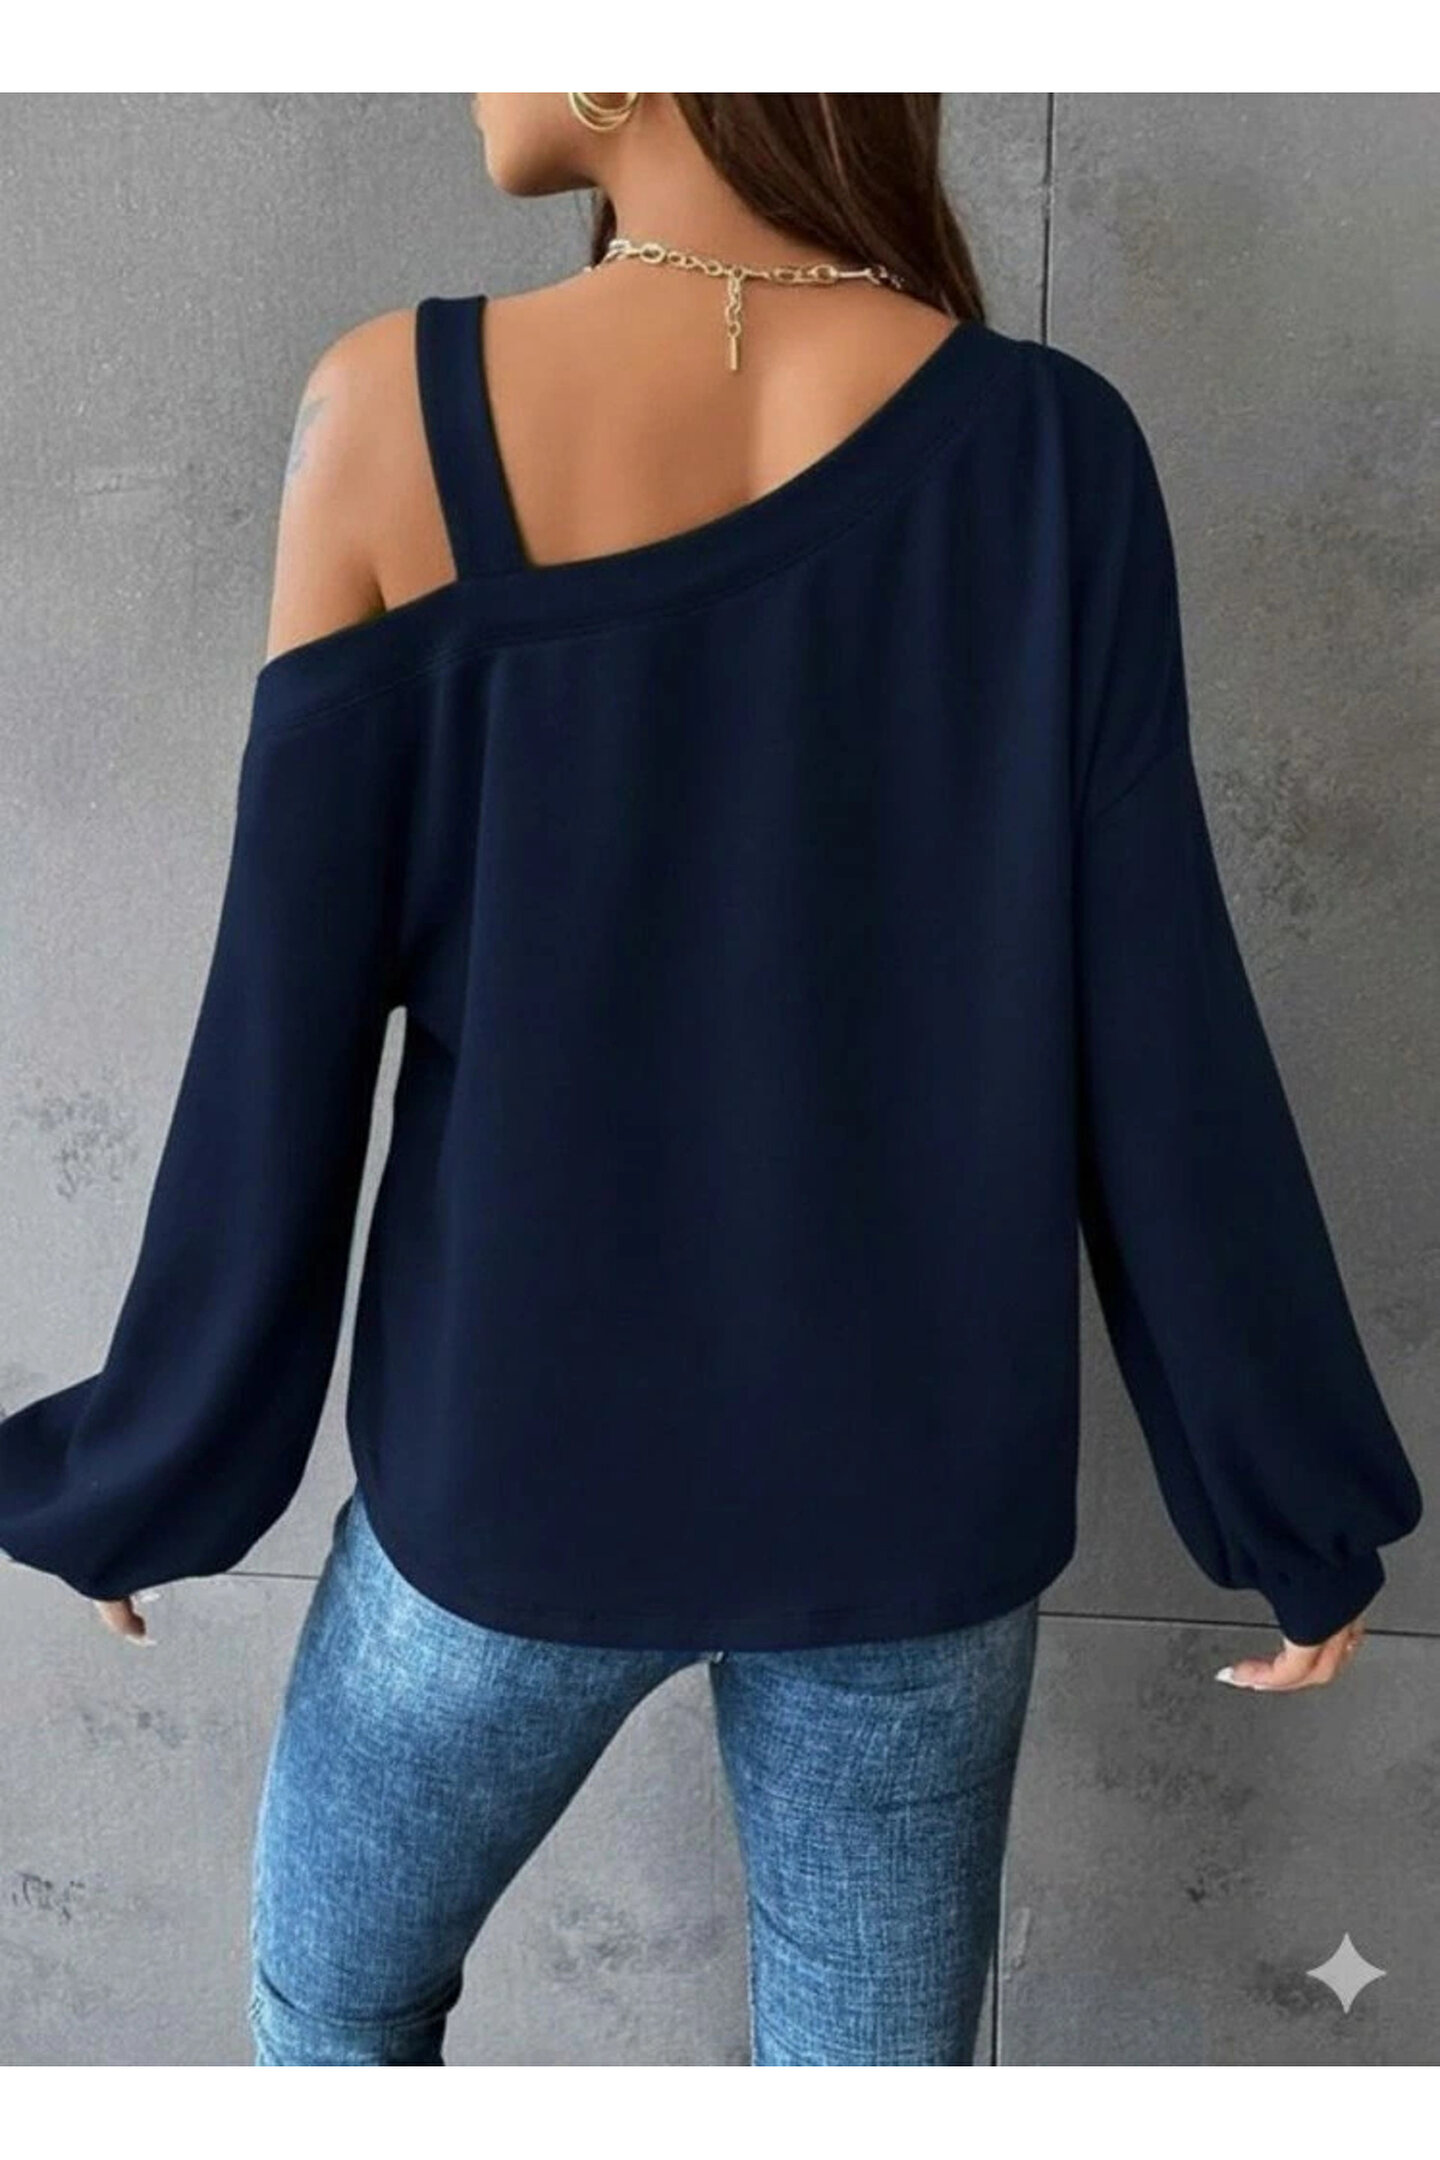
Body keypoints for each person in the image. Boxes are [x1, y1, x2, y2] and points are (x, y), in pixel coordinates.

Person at [0, 93, 1423, 2068]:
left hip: (514, 1481)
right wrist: (1291, 1497)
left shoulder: (397, 406)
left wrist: (153, 1467)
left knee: (332, 2018)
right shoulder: (1052, 448)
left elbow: (282, 1030)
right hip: (916, 1504)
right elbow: (1159, 1021)